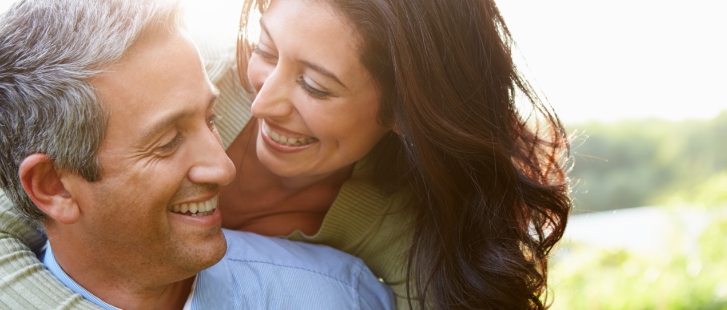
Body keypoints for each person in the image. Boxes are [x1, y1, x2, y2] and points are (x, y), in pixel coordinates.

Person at [0, 0, 572, 309]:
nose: (263, 100)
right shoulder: (176, 72)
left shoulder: (398, 229)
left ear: (402, 111)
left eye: (317, 87)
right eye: (267, 51)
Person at [0, 0, 394, 309]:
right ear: (54, 187)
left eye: (213, 118)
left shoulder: (343, 294)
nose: (225, 167)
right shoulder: (213, 60)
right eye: (168, 140)